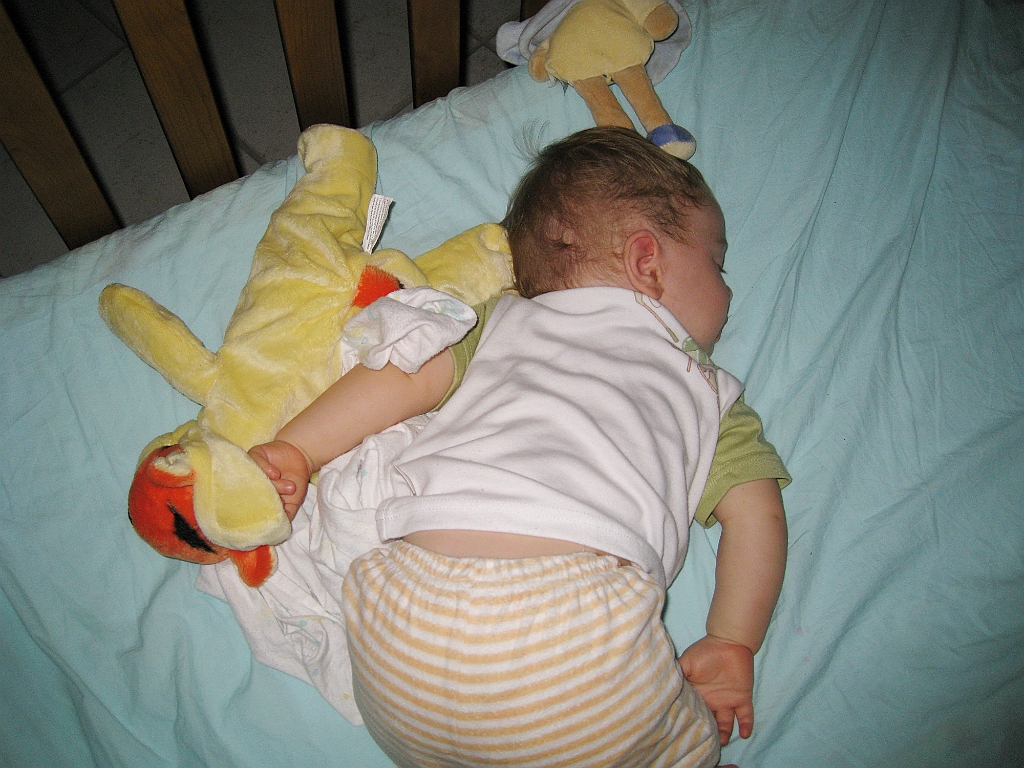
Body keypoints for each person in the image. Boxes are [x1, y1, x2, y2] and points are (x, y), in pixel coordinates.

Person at [250, 126, 790, 768]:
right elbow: (756, 515)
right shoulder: (704, 389)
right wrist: (732, 640)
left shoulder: (499, 321)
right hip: (570, 630)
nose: (728, 292)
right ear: (647, 261)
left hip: (398, 625)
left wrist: (300, 448)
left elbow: (403, 374)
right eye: (716, 264)